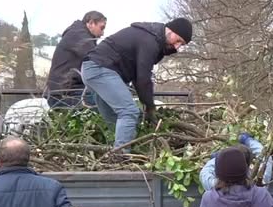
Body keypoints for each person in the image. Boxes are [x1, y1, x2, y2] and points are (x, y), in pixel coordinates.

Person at [81, 18, 193, 149]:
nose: (177, 46)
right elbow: (143, 78)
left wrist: (146, 102)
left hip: (94, 69)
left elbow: (137, 76)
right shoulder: (149, 41)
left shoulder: (153, 39)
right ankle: (120, 156)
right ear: (170, 30)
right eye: (178, 40)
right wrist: (150, 107)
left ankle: (113, 151)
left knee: (114, 115)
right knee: (129, 112)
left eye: (182, 44)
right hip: (100, 68)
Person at [45, 11, 107, 108]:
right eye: (101, 28)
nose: (102, 33)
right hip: (64, 94)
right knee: (105, 106)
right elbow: (98, 60)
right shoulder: (79, 36)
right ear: (91, 23)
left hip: (65, 91)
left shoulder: (78, 34)